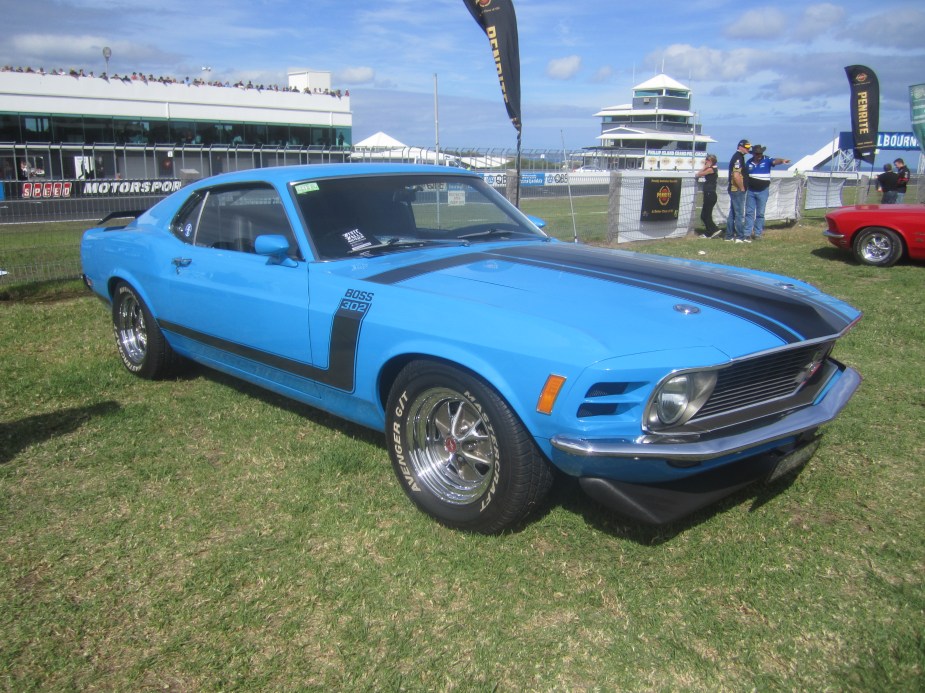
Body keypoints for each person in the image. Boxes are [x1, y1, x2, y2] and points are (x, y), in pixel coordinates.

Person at [744, 145, 791, 241]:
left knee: (760, 213)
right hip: (751, 190)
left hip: (763, 190)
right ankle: (747, 233)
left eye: (760, 153)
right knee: (749, 212)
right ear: (753, 154)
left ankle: (758, 233)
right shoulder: (748, 162)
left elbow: (775, 161)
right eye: (757, 154)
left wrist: (782, 161)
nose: (759, 155)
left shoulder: (767, 160)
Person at [726, 139, 750, 243]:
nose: (748, 149)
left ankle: (729, 235)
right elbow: (736, 175)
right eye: (746, 147)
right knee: (739, 213)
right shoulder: (738, 158)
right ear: (740, 147)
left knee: (732, 213)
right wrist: (742, 187)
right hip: (736, 189)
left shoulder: (738, 157)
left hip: (734, 189)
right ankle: (740, 236)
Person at [695, 154, 720, 238]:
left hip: (710, 194)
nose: (705, 161)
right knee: (704, 215)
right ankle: (711, 231)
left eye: (707, 160)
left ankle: (713, 230)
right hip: (709, 193)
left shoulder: (711, 169)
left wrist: (704, 167)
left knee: (705, 215)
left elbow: (698, 174)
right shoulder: (712, 169)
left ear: (710, 161)